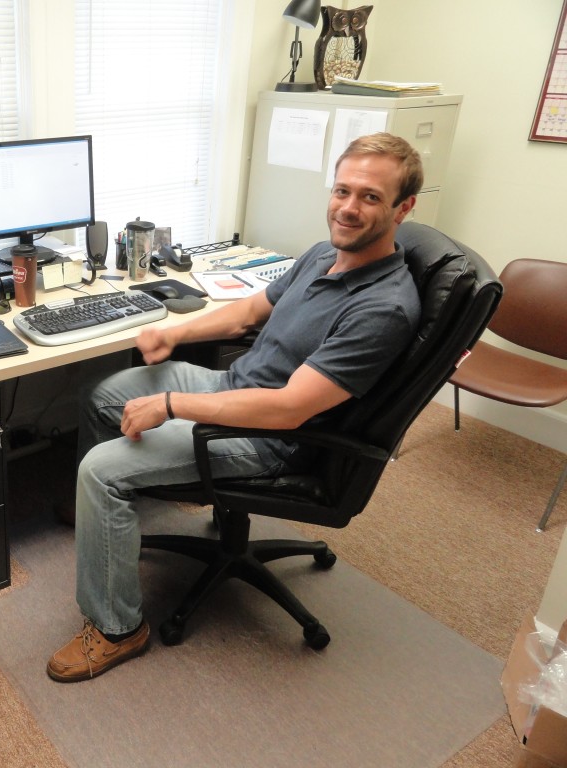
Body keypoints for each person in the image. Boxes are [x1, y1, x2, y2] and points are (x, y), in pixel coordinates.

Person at [47, 132, 424, 683]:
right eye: (343, 190)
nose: (348, 207)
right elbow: (250, 309)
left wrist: (172, 404)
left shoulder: (384, 308)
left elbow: (290, 409)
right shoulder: (326, 254)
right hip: (231, 384)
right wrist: (177, 335)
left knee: (100, 472)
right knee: (103, 395)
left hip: (267, 438)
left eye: (370, 197)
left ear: (403, 207)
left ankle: (116, 628)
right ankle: (106, 522)